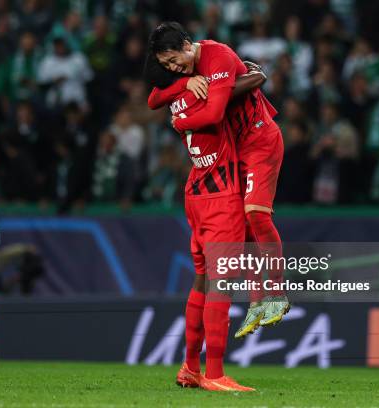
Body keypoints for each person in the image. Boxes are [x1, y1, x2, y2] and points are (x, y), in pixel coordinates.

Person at [148, 22, 288, 341]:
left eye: (173, 61)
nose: (173, 68)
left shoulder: (218, 56)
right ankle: (256, 300)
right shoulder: (189, 71)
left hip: (259, 138)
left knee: (256, 214)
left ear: (187, 45)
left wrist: (180, 122)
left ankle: (277, 292)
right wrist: (185, 84)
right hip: (235, 148)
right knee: (245, 227)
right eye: (166, 65)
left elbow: (212, 115)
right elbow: (154, 98)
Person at [146, 53, 265, 391]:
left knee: (202, 280)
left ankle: (189, 367)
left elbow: (154, 97)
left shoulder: (175, 94)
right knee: (221, 283)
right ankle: (214, 373)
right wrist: (256, 75)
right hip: (220, 195)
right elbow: (224, 100)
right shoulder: (202, 95)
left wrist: (182, 84)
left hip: (196, 191)